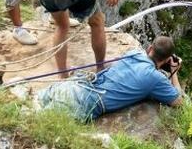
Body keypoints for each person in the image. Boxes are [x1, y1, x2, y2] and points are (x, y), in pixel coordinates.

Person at [37, 36, 183, 121]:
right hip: (85, 102)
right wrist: (174, 72)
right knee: (40, 123)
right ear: (166, 59)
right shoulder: (155, 78)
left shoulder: (133, 53)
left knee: (30, 111)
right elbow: (179, 102)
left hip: (74, 85)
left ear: (150, 48)